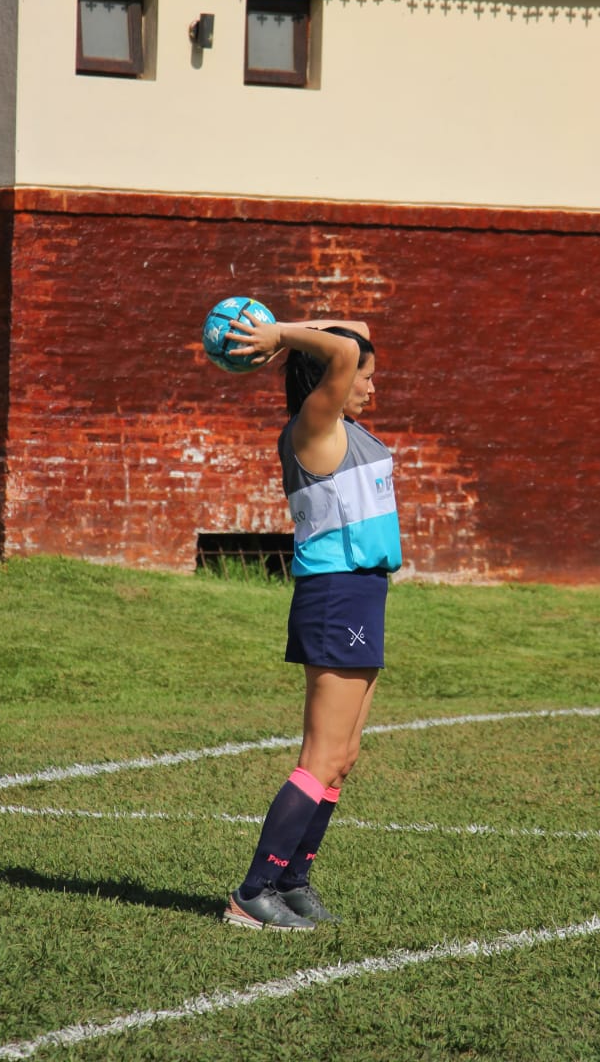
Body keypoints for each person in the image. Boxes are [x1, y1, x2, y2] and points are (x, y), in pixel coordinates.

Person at [220, 316, 402, 930]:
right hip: (335, 596)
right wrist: (279, 336)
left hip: (362, 593)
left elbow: (354, 332)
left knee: (343, 756)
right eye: (365, 377)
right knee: (320, 756)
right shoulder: (315, 425)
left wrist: (285, 333)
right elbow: (345, 347)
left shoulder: (343, 424)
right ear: (333, 379)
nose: (371, 387)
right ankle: (253, 892)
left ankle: (292, 882)